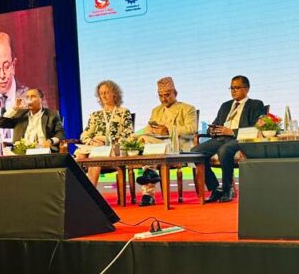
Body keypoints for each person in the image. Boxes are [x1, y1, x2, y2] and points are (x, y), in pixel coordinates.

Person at [195, 75, 266, 203]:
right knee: (195, 152)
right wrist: (212, 130)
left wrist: (232, 131)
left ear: (246, 89)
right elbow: (216, 123)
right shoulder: (225, 105)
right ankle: (215, 188)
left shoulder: (255, 104)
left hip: (239, 139)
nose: (233, 91)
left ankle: (227, 189)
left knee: (224, 150)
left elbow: (255, 128)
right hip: (220, 138)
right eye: (231, 88)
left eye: (237, 88)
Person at [136, 76, 198, 207]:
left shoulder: (188, 108)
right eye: (161, 95)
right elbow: (149, 129)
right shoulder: (156, 110)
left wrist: (168, 130)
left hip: (178, 146)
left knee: (149, 146)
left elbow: (191, 130)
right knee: (144, 141)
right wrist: (136, 136)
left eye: (167, 95)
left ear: (175, 93)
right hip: (157, 146)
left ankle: (148, 193)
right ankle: (150, 175)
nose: (164, 99)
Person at [80, 79, 135, 186]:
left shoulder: (123, 112)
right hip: (95, 147)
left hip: (115, 149)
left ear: (114, 94)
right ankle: (78, 190)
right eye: (101, 93)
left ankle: (91, 192)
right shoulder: (95, 115)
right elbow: (84, 135)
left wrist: (106, 140)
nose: (103, 96)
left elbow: (128, 133)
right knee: (79, 156)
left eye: (106, 92)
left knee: (95, 157)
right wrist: (92, 142)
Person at [0, 88, 66, 151]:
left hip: (44, 152)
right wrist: (14, 109)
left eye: (33, 96)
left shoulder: (52, 114)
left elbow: (61, 133)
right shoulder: (19, 114)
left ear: (41, 99)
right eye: (27, 97)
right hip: (22, 153)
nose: (29, 99)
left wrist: (50, 141)